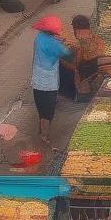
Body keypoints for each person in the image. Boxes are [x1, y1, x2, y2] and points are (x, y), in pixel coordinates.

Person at [30, 15, 72, 144]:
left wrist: (57, 40)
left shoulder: (39, 38)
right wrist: (63, 44)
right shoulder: (55, 45)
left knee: (41, 109)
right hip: (49, 85)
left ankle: (41, 131)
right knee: (48, 114)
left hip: (37, 81)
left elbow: (49, 42)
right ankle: (43, 136)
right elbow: (67, 54)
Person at [61, 14, 105, 101]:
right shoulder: (95, 35)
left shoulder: (80, 43)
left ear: (76, 28)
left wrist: (61, 60)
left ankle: (77, 95)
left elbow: (75, 65)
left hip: (89, 68)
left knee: (67, 67)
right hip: (99, 61)